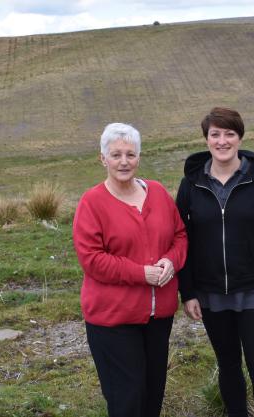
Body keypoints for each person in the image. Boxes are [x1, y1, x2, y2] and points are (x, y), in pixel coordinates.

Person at [176, 107, 254, 417]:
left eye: (229, 133)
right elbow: (180, 239)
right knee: (228, 365)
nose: (222, 141)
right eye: (215, 134)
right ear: (206, 139)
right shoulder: (191, 183)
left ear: (240, 137)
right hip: (211, 293)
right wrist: (187, 292)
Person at [72, 122, 187, 417]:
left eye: (131, 154)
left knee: (152, 392)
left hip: (158, 315)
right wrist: (142, 273)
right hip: (113, 318)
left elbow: (180, 236)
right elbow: (92, 259)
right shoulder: (92, 202)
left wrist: (172, 262)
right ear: (103, 159)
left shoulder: (159, 193)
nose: (124, 161)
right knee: (127, 396)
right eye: (116, 155)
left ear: (139, 157)